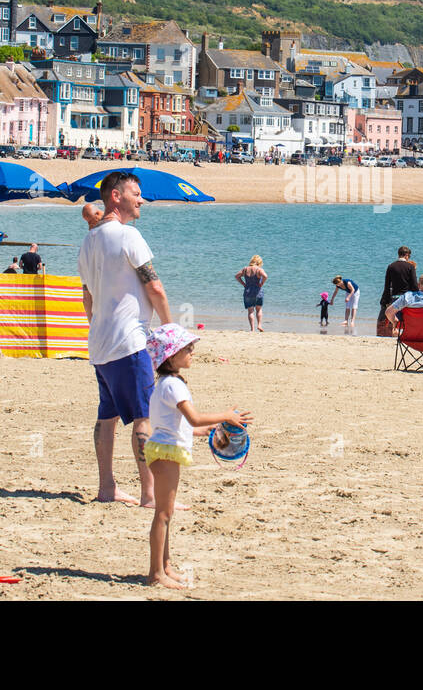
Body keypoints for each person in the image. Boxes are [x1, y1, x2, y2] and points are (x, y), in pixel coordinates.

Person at [78, 171, 174, 506]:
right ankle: (150, 493)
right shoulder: (128, 236)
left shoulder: (88, 242)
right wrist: (169, 329)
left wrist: (98, 326)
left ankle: (107, 488)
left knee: (108, 417)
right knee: (143, 417)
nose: (141, 199)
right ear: (115, 196)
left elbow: (87, 298)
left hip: (100, 344)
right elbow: (155, 286)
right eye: (135, 193)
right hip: (129, 343)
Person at [142, 322, 251, 589]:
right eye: (186, 347)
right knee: (163, 515)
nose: (192, 350)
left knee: (165, 513)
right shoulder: (173, 385)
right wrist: (226, 415)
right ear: (170, 355)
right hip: (166, 453)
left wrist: (206, 431)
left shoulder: (165, 383)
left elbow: (175, 425)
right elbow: (193, 418)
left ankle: (165, 566)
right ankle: (156, 573)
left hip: (163, 449)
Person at [378, 246, 418, 337]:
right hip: (407, 298)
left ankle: (395, 332)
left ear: (399, 254)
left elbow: (387, 285)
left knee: (396, 320)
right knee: (406, 319)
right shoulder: (410, 266)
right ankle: (405, 335)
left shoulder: (391, 266)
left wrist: (385, 300)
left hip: (395, 297)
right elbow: (414, 285)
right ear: (407, 255)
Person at [235, 255, 268, 332]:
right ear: (259, 262)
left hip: (248, 292)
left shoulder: (245, 269)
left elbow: (237, 276)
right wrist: (262, 283)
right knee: (259, 310)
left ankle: (252, 329)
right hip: (258, 292)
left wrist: (243, 284)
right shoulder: (259, 270)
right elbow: (265, 276)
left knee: (250, 311)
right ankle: (259, 325)